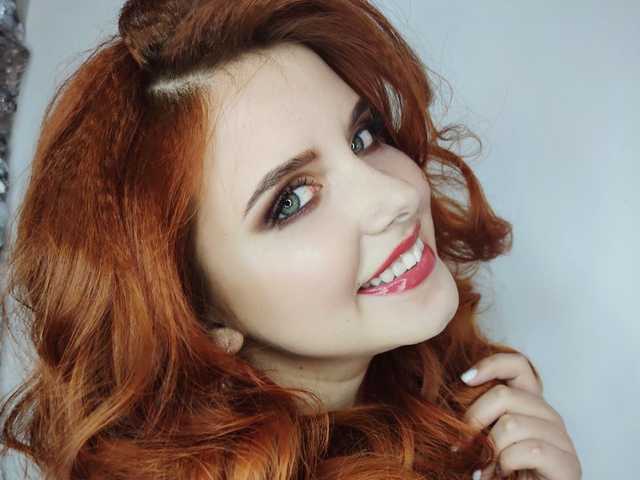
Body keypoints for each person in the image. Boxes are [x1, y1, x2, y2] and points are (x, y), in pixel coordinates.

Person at [0, 1, 581, 479]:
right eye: (291, 201)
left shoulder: (438, 405)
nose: (397, 196)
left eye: (363, 136)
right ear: (197, 313)